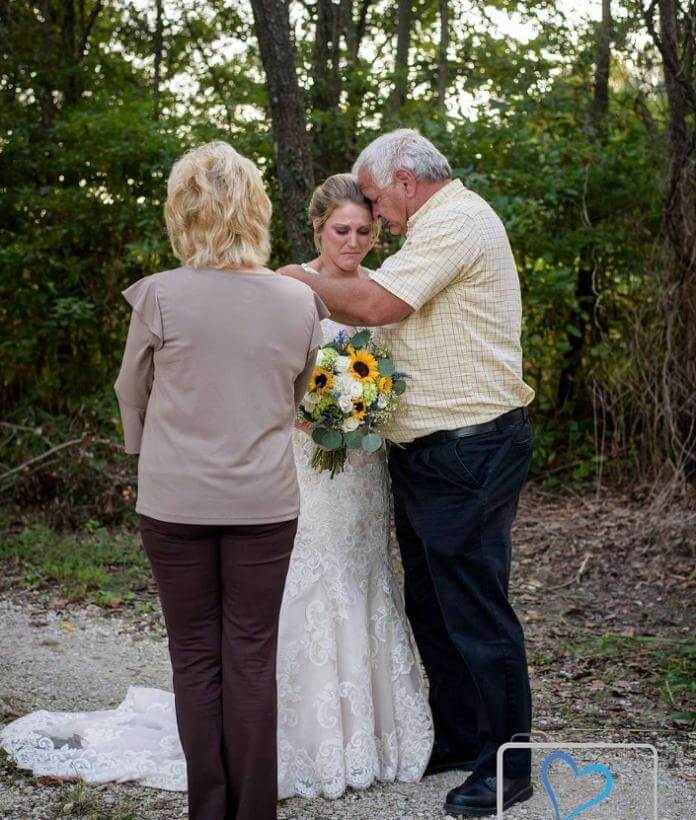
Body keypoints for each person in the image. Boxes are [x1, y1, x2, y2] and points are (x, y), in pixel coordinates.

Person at [0, 141, 325, 820]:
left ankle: (208, 811)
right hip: (264, 503)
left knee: (195, 658)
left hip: (174, 502)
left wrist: (150, 455)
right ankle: (255, 812)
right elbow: (297, 393)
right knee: (251, 659)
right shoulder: (299, 301)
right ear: (256, 210)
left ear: (184, 214)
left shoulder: (158, 295)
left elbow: (129, 392)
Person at [282, 129, 536, 817]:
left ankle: (508, 766)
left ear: (403, 179)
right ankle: (459, 737)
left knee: (475, 609)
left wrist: (271, 282)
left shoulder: (457, 220)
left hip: (470, 449)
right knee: (432, 604)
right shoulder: (429, 231)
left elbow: (376, 308)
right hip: (425, 453)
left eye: (374, 198)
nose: (375, 213)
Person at [276, 173, 433, 799]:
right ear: (318, 227)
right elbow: (276, 370)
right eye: (342, 230)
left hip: (363, 466)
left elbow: (395, 369)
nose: (354, 242)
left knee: (366, 570)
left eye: (365, 231)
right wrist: (313, 411)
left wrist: (370, 404)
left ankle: (377, 731)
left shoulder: (381, 289)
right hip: (307, 461)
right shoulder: (292, 283)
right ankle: (301, 733)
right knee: (311, 571)